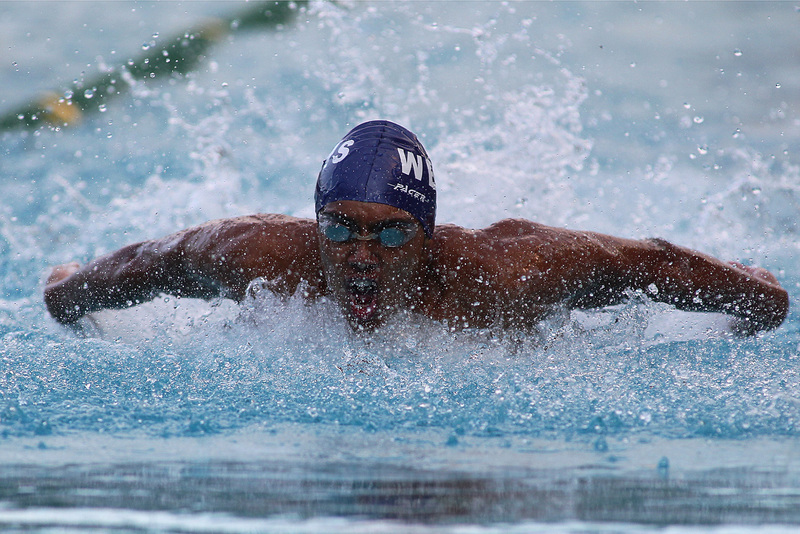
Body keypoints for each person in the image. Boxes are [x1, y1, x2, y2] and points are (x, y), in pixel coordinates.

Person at [44, 120, 788, 335]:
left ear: (427, 236)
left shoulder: (502, 274)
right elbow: (152, 262)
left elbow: (639, 262)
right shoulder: (261, 258)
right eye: (341, 229)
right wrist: (69, 294)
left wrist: (756, 296)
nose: (361, 256)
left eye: (392, 234)